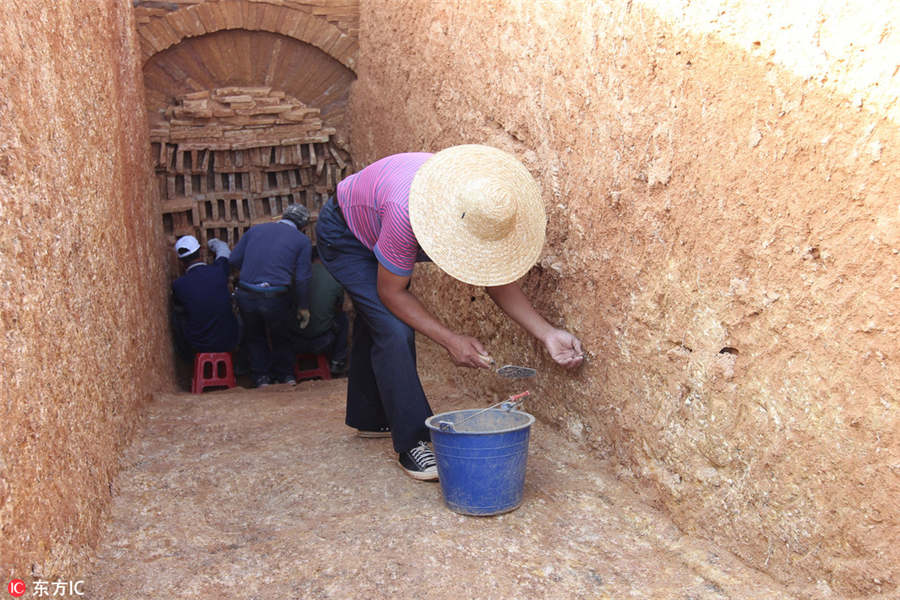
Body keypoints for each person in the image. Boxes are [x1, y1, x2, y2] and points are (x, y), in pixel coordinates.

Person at [315, 144, 583, 481]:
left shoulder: (479, 203)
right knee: (393, 327)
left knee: (378, 318)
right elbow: (391, 292)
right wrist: (450, 340)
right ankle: (413, 441)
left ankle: (370, 417)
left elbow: (495, 280)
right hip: (346, 236)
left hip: (378, 217)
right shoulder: (406, 213)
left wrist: (547, 333)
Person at [229, 204, 312, 388]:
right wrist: (303, 307)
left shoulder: (255, 230)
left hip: (246, 294)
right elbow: (302, 278)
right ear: (303, 226)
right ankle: (286, 376)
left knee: (255, 336)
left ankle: (262, 378)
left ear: (282, 217)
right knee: (281, 335)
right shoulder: (302, 241)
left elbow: (234, 259)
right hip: (275, 296)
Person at [170, 235, 240, 361]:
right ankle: (242, 361)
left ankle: (186, 359)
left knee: (177, 313)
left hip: (198, 345)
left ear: (181, 261)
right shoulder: (219, 271)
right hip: (229, 340)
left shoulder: (178, 285)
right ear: (201, 252)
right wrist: (211, 242)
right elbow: (224, 249)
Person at [289, 246, 350, 375]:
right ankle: (337, 361)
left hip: (294, 342)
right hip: (323, 342)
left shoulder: (293, 275)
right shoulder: (334, 276)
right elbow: (338, 307)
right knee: (343, 319)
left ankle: (285, 369)